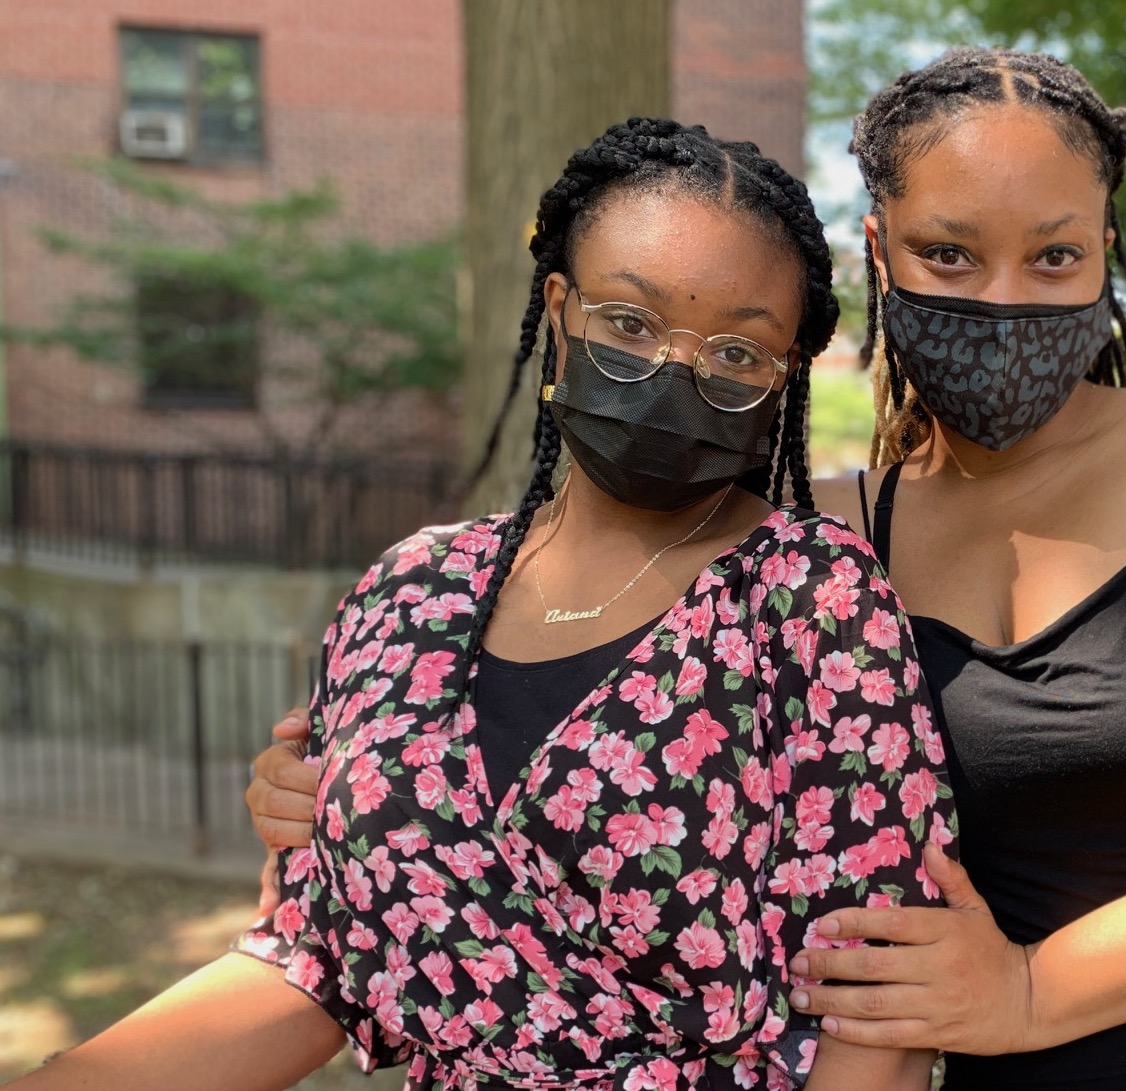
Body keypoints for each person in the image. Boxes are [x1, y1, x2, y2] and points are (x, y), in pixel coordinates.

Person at [249, 49, 1126, 1090]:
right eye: (952, 255)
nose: (1008, 298)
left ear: (1106, 251)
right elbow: (598, 745)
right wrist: (344, 788)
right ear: (877, 255)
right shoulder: (831, 541)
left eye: (1057, 256)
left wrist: (1033, 988)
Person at [14, 119, 952, 1091]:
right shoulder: (410, 592)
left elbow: (876, 1014)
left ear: (786, 373)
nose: (678, 370)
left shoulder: (813, 601)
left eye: (737, 351)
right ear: (559, 308)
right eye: (628, 322)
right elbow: (311, 958)